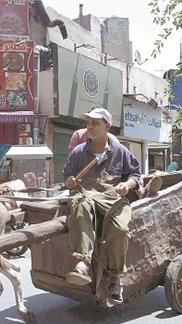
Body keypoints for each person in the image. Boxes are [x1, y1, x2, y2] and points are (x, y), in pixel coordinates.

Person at [63, 108, 142, 306]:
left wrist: (127, 185)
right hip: (86, 195)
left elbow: (135, 175)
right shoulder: (78, 153)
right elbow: (66, 177)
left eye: (95, 123)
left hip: (112, 198)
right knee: (80, 205)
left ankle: (115, 278)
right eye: (88, 122)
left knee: (121, 229)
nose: (90, 127)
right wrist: (69, 182)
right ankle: (82, 263)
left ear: (107, 126)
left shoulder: (120, 151)